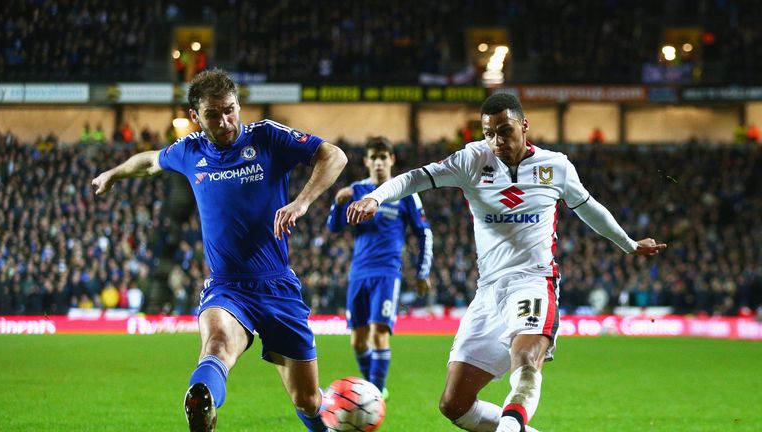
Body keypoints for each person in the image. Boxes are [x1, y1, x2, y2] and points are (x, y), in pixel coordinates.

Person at [346, 93, 666, 432]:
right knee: (453, 404)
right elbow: (416, 178)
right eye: (488, 133)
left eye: (505, 130)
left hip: (534, 281)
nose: (497, 140)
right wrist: (375, 196)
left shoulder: (555, 166)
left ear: (524, 125)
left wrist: (628, 244)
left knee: (526, 362)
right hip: (489, 291)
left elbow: (588, 207)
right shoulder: (471, 160)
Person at [92, 68, 347, 432]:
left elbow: (333, 155)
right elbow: (149, 161)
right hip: (227, 287)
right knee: (217, 344)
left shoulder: (268, 137)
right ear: (196, 117)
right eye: (213, 114)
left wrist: (302, 202)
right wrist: (112, 174)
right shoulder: (190, 150)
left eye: (230, 109)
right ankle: (202, 401)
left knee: (307, 400)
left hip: (278, 287)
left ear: (239, 105)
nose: (225, 121)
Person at [326, 136, 433, 399]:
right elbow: (334, 227)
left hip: (387, 272)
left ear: (391, 160)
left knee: (378, 334)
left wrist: (422, 271)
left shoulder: (404, 192)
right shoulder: (356, 190)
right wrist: (338, 205)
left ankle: (375, 393)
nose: (378, 162)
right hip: (359, 272)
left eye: (383, 157)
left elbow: (424, 233)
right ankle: (371, 388)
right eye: (373, 157)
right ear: (366, 161)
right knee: (358, 341)